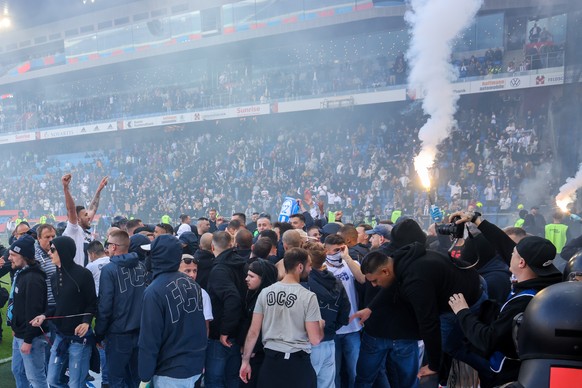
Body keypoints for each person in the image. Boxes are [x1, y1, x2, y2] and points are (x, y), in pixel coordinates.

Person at [447, 211, 562, 387]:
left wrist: (462, 311)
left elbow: (488, 340)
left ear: (522, 263)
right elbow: (503, 243)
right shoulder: (549, 282)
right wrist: (477, 220)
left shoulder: (525, 301)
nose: (508, 254)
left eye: (513, 253)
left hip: (508, 375)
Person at [239, 248, 324, 387]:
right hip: (298, 364)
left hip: (271, 363)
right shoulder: (308, 296)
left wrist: (245, 361)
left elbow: (253, 332)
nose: (310, 269)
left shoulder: (265, 292)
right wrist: (320, 325)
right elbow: (315, 339)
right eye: (309, 265)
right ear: (300, 267)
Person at [138, 234, 206, 387]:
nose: (148, 258)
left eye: (151, 254)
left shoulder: (153, 291)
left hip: (169, 372)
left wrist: (145, 375)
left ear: (158, 257)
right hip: (194, 368)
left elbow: (149, 338)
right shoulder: (192, 284)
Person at [31, 235, 98, 388]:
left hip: (79, 339)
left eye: (53, 250)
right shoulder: (54, 278)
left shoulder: (83, 274)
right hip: (60, 337)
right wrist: (43, 316)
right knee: (53, 380)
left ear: (63, 252)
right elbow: (58, 306)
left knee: (76, 384)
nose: (49, 252)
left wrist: (86, 323)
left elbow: (92, 303)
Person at [96, 230, 147, 388]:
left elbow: (105, 306)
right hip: (140, 332)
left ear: (113, 247)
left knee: (116, 379)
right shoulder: (142, 266)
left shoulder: (108, 270)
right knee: (135, 379)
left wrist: (99, 333)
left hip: (118, 334)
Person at [302, 241, 350, 388]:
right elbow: (344, 313)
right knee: (327, 384)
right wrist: (330, 329)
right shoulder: (336, 282)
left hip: (309, 343)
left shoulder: (303, 285)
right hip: (329, 341)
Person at [205, 231, 248, 387]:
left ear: (212, 247)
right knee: (231, 377)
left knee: (215, 379)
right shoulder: (242, 264)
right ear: (231, 244)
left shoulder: (219, 270)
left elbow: (233, 298)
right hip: (238, 331)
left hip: (221, 337)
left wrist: (225, 331)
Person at [8, 235, 49, 388]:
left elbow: (33, 313)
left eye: (13, 255)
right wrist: (15, 326)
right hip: (20, 334)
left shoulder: (32, 279)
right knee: (18, 371)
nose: (9, 258)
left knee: (36, 379)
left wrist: (28, 340)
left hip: (30, 338)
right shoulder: (22, 274)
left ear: (24, 256)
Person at [239, 259, 278, 387]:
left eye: (251, 276)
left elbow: (258, 329)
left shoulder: (266, 299)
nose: (246, 279)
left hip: (258, 355)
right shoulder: (253, 294)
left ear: (263, 278)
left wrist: (250, 352)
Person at [62, 173, 108, 266]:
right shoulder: (73, 230)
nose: (89, 217)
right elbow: (71, 209)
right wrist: (66, 188)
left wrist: (99, 190)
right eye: (85, 215)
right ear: (77, 219)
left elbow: (92, 208)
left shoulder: (84, 232)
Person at [179, 253, 213, 334]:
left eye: (195, 271)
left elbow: (205, 326)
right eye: (187, 271)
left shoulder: (202, 294)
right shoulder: (167, 292)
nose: (192, 275)